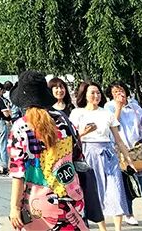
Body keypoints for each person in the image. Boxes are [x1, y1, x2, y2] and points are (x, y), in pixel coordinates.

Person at [6, 70, 87, 231]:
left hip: (38, 202)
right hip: (71, 197)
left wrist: (14, 207)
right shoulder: (65, 120)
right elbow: (78, 157)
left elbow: (18, 173)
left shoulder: (21, 127)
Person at [70, 81, 135, 231]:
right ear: (85, 95)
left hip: (108, 153)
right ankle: (102, 227)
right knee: (96, 190)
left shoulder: (107, 113)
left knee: (116, 189)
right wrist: (84, 132)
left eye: (98, 92)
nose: (96, 95)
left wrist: (128, 158)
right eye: (92, 92)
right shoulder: (77, 113)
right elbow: (71, 138)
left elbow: (118, 139)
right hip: (88, 153)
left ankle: (118, 228)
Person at [105, 81, 142, 229]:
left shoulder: (134, 106)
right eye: (115, 92)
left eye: (121, 90)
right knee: (126, 185)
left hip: (139, 150)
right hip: (121, 152)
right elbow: (113, 125)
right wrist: (118, 107)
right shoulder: (109, 107)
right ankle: (129, 214)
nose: (119, 94)